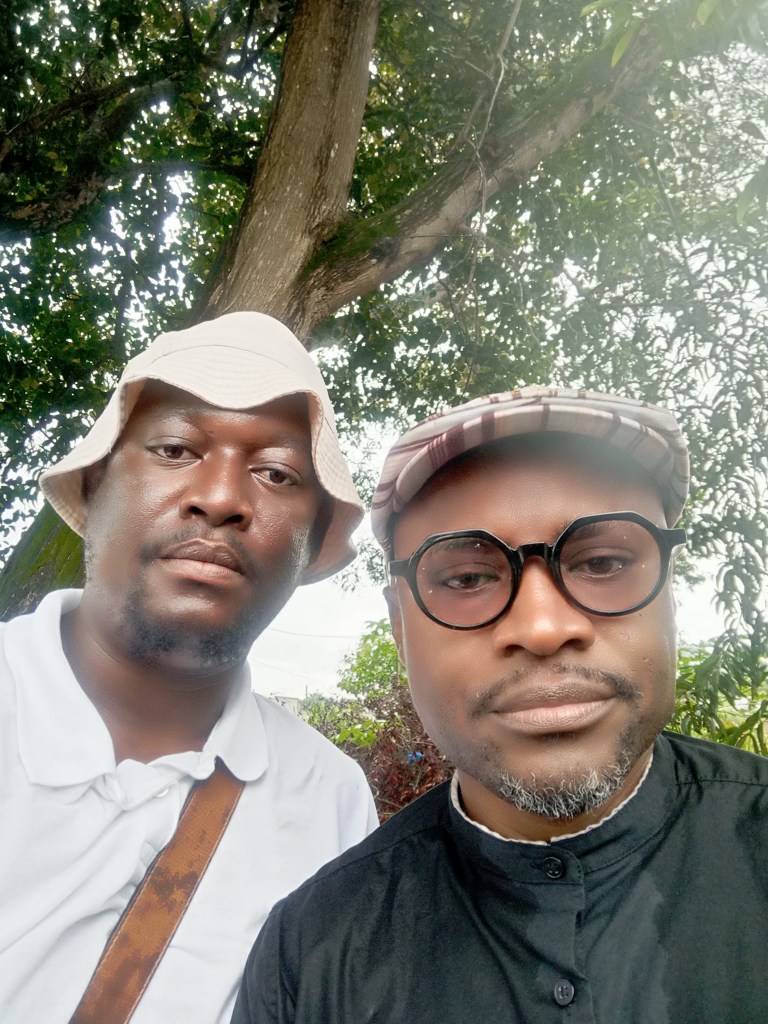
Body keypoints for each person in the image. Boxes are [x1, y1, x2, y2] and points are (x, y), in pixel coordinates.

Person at [232, 386, 768, 1024]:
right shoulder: (309, 953)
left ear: (670, 596)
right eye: (467, 578)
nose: (542, 627)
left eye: (603, 562)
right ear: (400, 628)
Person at [0, 312, 378, 1024]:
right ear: (97, 483)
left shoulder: (329, 800)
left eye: (276, 473)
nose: (223, 498)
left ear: (312, 538)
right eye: (175, 449)